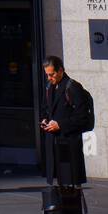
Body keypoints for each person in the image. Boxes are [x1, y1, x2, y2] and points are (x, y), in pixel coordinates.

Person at [41, 55, 91, 187]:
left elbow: (82, 117)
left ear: (61, 70)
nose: (49, 78)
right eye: (47, 75)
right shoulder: (49, 87)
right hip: (54, 143)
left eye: (51, 74)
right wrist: (44, 120)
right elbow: (46, 109)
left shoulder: (73, 87)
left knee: (70, 185)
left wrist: (60, 125)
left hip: (68, 143)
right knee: (57, 183)